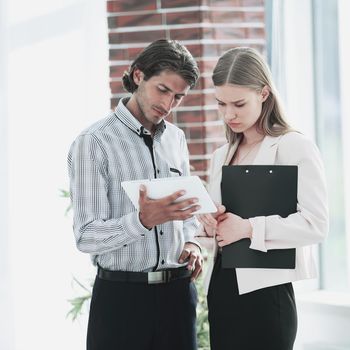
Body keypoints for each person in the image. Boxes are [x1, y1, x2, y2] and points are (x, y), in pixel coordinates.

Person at [68, 39, 204, 350]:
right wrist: (142, 220)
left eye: (179, 97)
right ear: (138, 75)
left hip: (178, 297)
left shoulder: (176, 139)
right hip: (121, 302)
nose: (168, 104)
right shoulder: (94, 143)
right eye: (163, 90)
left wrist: (192, 241)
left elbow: (187, 214)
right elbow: (86, 235)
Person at [196, 47, 329, 350]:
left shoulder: (293, 146)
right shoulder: (221, 156)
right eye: (221, 104)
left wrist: (248, 228)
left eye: (239, 104)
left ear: (264, 93)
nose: (229, 114)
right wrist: (206, 223)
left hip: (267, 294)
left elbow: (316, 224)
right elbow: (215, 232)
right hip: (221, 288)